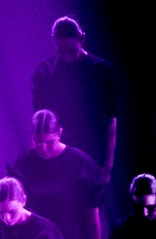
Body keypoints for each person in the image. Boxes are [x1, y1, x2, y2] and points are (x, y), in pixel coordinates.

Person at [6, 109, 105, 239]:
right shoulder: (23, 165)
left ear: (59, 133)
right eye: (37, 142)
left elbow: (92, 215)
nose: (43, 148)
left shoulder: (81, 164)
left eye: (49, 142)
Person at [30, 16, 119, 186]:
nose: (67, 57)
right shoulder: (45, 72)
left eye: (72, 51)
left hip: (92, 154)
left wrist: (108, 165)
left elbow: (111, 120)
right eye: (61, 51)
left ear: (82, 38)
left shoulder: (101, 71)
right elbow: (38, 121)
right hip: (58, 158)